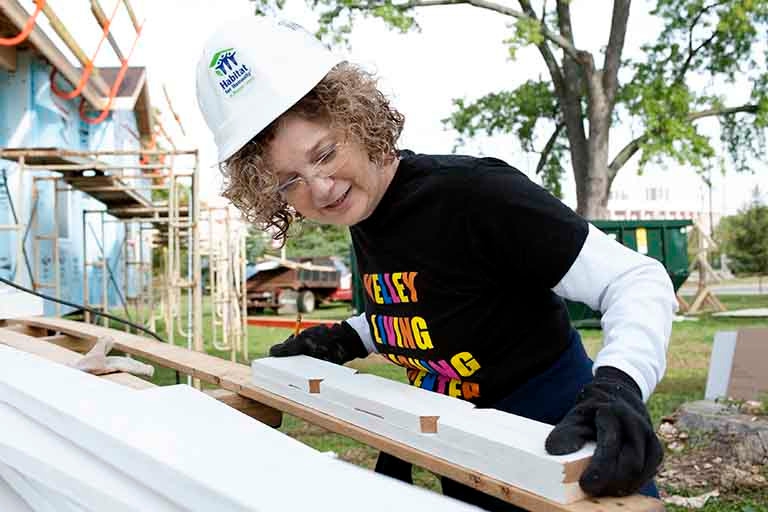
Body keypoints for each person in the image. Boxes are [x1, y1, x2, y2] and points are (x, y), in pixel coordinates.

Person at [196, 16, 677, 510]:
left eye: (325, 153)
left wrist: (620, 386)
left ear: (357, 120)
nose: (319, 187)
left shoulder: (474, 195)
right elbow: (433, 300)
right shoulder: (365, 213)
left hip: (571, 456)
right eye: (289, 180)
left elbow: (635, 279)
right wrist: (348, 337)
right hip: (467, 458)